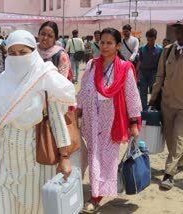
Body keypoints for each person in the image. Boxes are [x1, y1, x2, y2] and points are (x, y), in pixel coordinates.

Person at [0, 29, 76, 214]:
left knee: (33, 207)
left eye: (23, 52)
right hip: (4, 157)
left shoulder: (44, 78)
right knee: (2, 207)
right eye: (12, 53)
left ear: (33, 52)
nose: (18, 58)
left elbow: (57, 121)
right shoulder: (2, 81)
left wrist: (64, 158)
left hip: (34, 161)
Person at [77, 28, 142, 213]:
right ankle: (97, 190)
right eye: (102, 42)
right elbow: (83, 91)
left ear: (117, 45)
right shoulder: (91, 65)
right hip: (91, 120)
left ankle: (95, 197)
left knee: (105, 158)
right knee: (93, 156)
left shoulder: (124, 68)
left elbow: (132, 97)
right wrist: (77, 113)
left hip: (112, 121)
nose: (104, 46)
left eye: (109, 43)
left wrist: (134, 123)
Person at [150, 20, 183, 190]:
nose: (180, 34)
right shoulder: (168, 51)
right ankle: (180, 161)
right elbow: (160, 76)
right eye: (178, 31)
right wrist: (154, 97)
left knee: (178, 138)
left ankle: (169, 174)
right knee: (170, 137)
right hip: (167, 103)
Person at [136, 28, 163, 111]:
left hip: (154, 73)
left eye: (152, 39)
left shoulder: (160, 49)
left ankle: (154, 108)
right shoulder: (142, 49)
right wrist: (136, 73)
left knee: (154, 92)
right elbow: (139, 61)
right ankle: (144, 109)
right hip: (143, 73)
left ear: (155, 38)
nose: (150, 41)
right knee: (143, 92)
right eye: (148, 39)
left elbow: (161, 63)